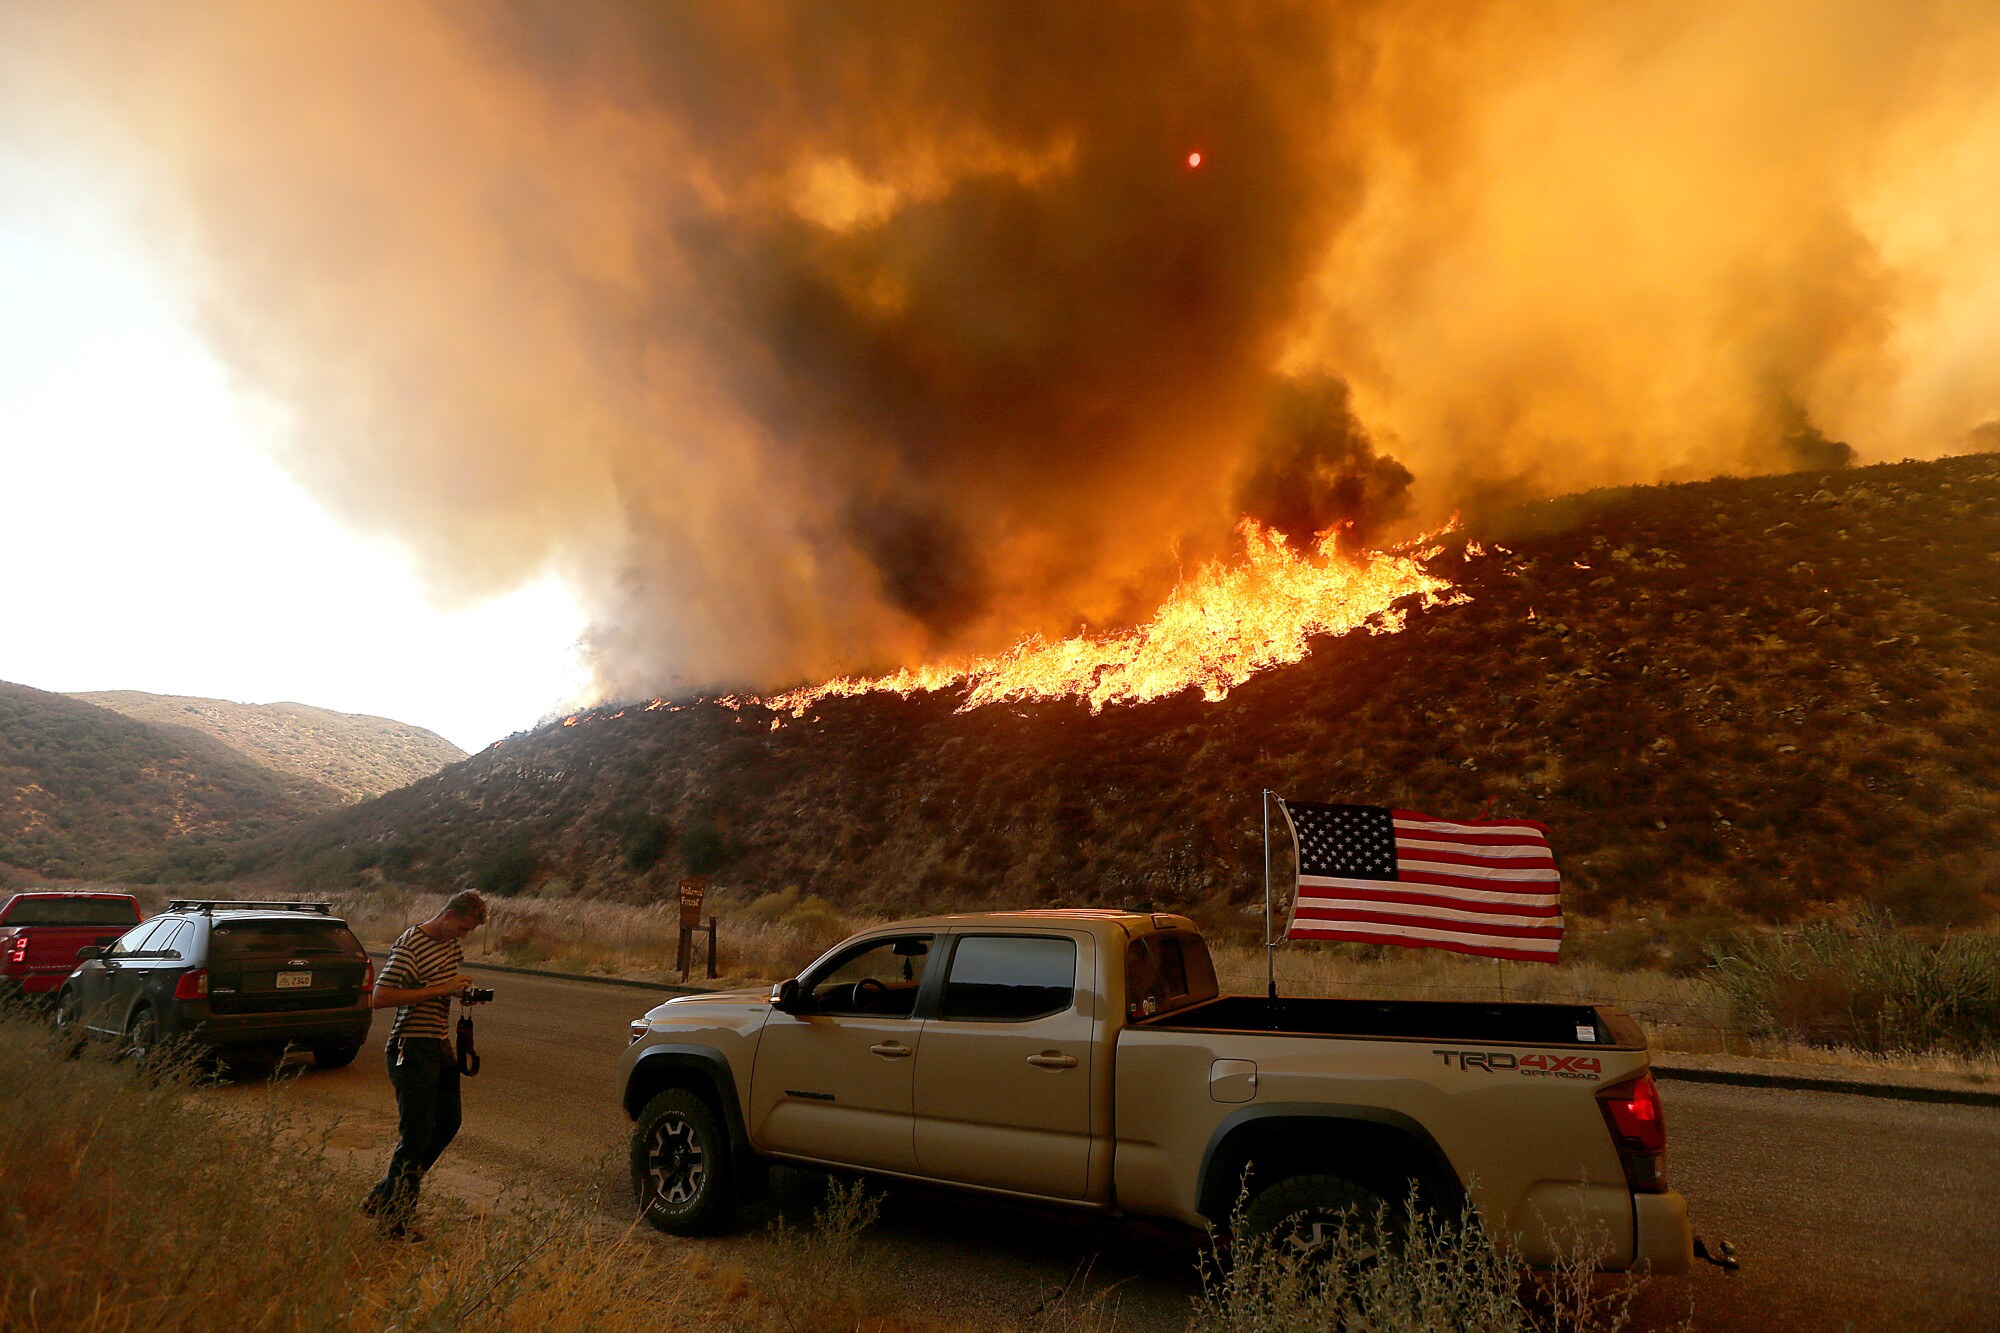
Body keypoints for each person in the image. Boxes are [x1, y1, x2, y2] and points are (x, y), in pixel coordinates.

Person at [361, 889, 487, 1237]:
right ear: (448, 915)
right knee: (415, 1137)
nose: (462, 937)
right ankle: (395, 1221)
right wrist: (442, 988)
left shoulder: (450, 947)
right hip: (410, 1047)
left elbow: (440, 986)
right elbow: (381, 997)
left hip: (438, 1043)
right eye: (462, 928)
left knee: (448, 1123)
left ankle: (384, 1195)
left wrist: (461, 993)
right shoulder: (410, 945)